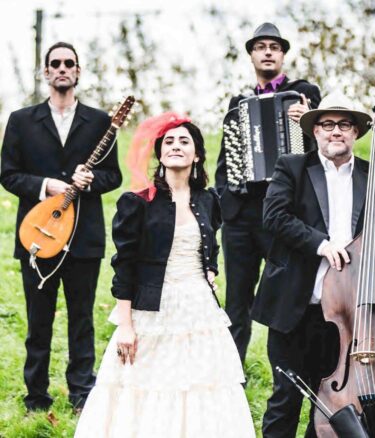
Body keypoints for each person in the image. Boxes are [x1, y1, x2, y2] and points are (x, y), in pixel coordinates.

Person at [74, 114, 254, 437]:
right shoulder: (137, 203)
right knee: (147, 386)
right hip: (151, 310)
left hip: (198, 310)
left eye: (184, 141)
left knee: (202, 386)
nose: (176, 146)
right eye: (168, 142)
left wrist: (210, 269)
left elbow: (210, 239)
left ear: (197, 154)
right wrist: (126, 326)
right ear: (160, 153)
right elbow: (124, 265)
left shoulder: (208, 199)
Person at [251, 93, 375, 438]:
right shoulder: (291, 167)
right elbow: (274, 216)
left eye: (343, 125)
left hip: (345, 314)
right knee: (285, 399)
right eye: (327, 125)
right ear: (316, 132)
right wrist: (321, 245)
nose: (335, 131)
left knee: (330, 402)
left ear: (355, 132)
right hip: (296, 304)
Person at [0, 41, 122, 412]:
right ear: (46, 72)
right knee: (39, 321)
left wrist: (90, 181)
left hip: (83, 237)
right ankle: (36, 396)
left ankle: (83, 393)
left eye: (70, 63)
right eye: (56, 63)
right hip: (37, 235)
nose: (63, 69)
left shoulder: (100, 121)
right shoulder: (21, 120)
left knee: (82, 319)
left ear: (79, 71)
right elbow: (7, 174)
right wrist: (45, 186)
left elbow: (113, 175)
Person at [215, 22, 322, 365]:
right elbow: (224, 159)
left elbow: (327, 146)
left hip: (282, 213)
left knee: (285, 296)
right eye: (260, 46)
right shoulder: (239, 101)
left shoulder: (304, 93)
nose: (267, 52)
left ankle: (288, 371)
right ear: (251, 55)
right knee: (236, 301)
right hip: (242, 216)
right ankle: (233, 375)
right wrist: (223, 200)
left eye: (274, 47)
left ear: (283, 54)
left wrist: (309, 121)